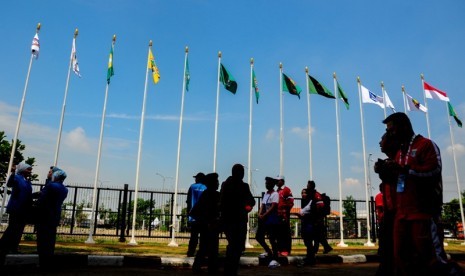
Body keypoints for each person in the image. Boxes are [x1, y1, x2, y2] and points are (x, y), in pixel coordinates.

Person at [382, 112, 445, 275]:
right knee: (402, 260)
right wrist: (385, 172)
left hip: (422, 214)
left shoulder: (426, 145)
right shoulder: (399, 153)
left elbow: (434, 171)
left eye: (391, 130)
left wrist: (406, 170)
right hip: (402, 216)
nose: (389, 134)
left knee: (432, 260)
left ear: (403, 127)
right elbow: (398, 180)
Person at [219, 164, 256, 276]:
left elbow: (251, 201)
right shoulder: (239, 186)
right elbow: (252, 201)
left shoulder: (228, 185)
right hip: (236, 219)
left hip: (232, 219)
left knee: (234, 245)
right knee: (236, 246)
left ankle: (229, 269)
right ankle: (231, 269)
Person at [35, 168, 68, 270]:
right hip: (54, 217)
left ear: (56, 176)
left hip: (44, 216)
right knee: (50, 240)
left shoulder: (51, 186)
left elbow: (42, 198)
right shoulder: (64, 189)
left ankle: (42, 263)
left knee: (42, 241)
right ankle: (48, 261)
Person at [0, 163, 33, 264]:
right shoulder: (17, 178)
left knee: (19, 230)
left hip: (24, 209)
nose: (30, 171)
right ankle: (2, 247)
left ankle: (14, 248)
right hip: (15, 208)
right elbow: (9, 184)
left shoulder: (27, 181)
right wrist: (13, 172)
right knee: (13, 228)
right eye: (28, 169)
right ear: (23, 169)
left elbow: (28, 195)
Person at [190, 173, 220, 274]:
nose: (218, 183)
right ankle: (204, 268)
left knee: (208, 249)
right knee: (207, 249)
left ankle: (206, 268)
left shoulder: (213, 195)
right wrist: (206, 222)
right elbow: (194, 212)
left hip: (210, 226)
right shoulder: (208, 195)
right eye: (216, 181)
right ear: (211, 183)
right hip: (207, 226)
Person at [256, 177, 280, 269]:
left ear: (272, 184)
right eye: (266, 183)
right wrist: (259, 213)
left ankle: (275, 258)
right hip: (265, 218)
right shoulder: (266, 194)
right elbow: (263, 204)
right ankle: (268, 251)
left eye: (268, 183)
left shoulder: (275, 194)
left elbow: (273, 207)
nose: (266, 185)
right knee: (258, 236)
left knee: (272, 239)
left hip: (272, 219)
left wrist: (264, 214)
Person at [307, 180, 332, 255]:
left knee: (318, 235)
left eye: (308, 185)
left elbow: (320, 206)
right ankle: (323, 248)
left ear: (311, 186)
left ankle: (323, 248)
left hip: (318, 218)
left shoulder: (316, 195)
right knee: (317, 235)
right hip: (316, 218)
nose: (307, 186)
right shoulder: (312, 194)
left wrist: (318, 218)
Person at [186, 172, 206, 257]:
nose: (195, 179)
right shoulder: (206, 187)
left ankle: (191, 252)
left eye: (196, 178)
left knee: (193, 236)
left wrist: (188, 214)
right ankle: (202, 253)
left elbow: (188, 201)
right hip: (204, 216)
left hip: (193, 215)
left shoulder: (192, 187)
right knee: (203, 237)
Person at [275, 175, 294, 256]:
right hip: (277, 215)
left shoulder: (286, 190)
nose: (276, 182)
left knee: (285, 233)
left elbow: (291, 202)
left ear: (282, 181)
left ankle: (286, 249)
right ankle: (279, 249)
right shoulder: (277, 190)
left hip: (284, 215)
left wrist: (285, 212)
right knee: (278, 233)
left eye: (277, 180)